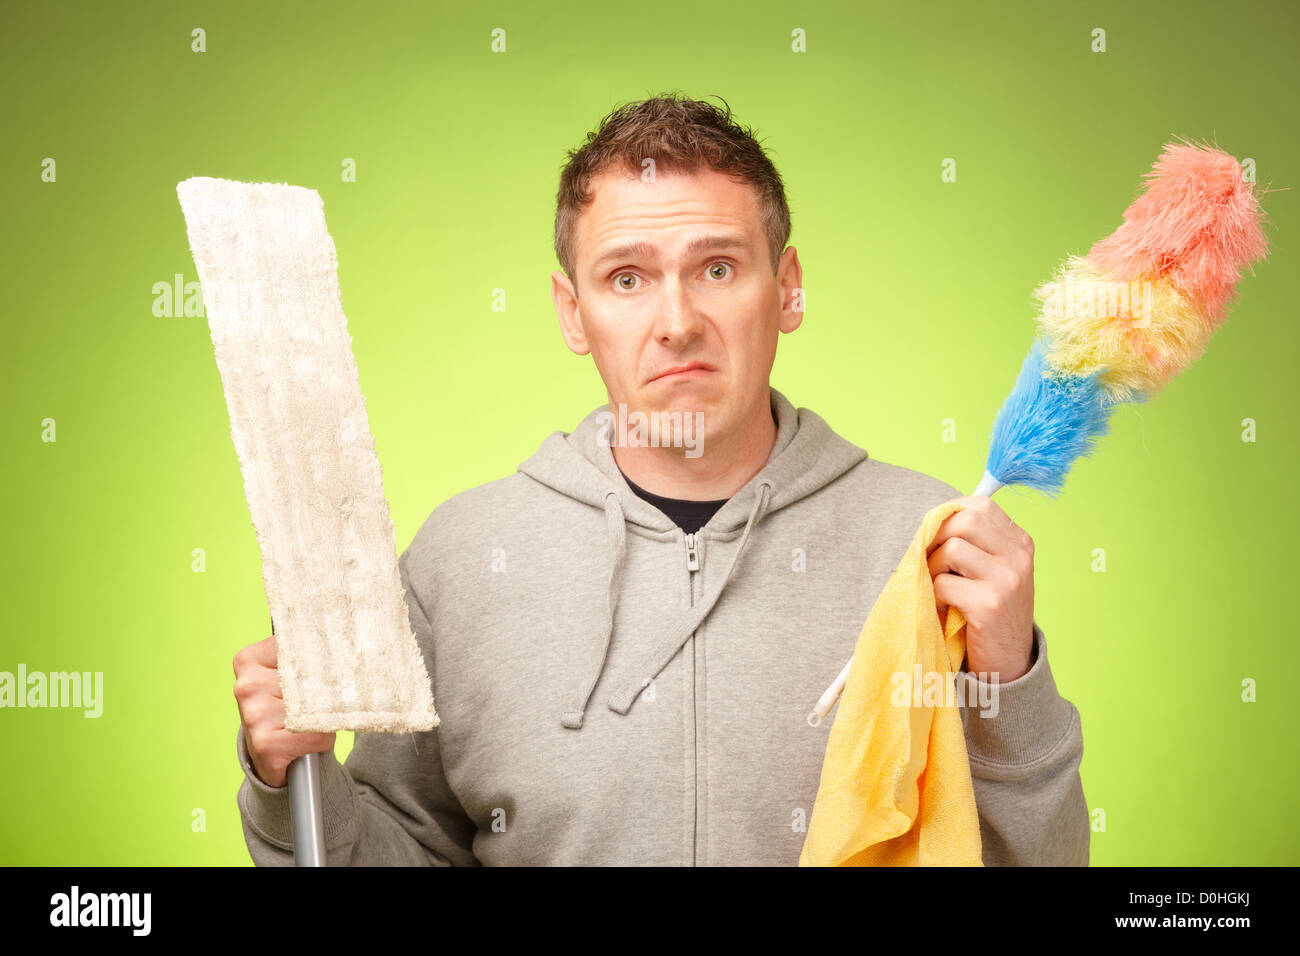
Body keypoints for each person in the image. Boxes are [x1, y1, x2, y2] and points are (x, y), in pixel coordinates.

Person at [232, 92, 1089, 866]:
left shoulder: (926, 548)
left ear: (785, 290)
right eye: (628, 278)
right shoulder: (461, 559)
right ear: (575, 312)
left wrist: (1012, 686)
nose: (677, 323)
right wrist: (292, 779)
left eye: (717, 268)